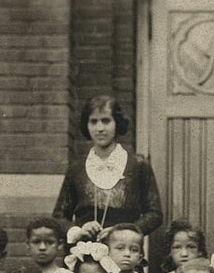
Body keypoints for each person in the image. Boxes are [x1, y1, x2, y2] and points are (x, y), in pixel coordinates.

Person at [52, 95, 162, 240]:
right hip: (84, 253)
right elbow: (59, 216)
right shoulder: (76, 168)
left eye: (106, 121)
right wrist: (78, 229)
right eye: (93, 122)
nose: (100, 128)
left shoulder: (137, 165)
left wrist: (124, 232)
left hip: (124, 251)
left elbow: (154, 214)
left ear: (117, 123)